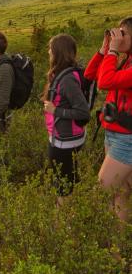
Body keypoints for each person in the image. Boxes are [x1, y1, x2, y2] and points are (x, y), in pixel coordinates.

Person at [84, 17, 132, 222]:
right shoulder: (125, 60)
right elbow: (90, 74)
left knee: (101, 190)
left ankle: (87, 242)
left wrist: (113, 50)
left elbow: (105, 82)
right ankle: (116, 252)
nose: (118, 37)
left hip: (126, 140)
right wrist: (104, 50)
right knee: (121, 194)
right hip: (113, 134)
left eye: (123, 33)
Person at [43, 34, 90, 199]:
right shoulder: (65, 74)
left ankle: (64, 222)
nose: (48, 52)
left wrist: (56, 111)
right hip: (64, 137)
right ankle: (69, 215)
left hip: (65, 141)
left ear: (58, 52)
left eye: (51, 49)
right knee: (68, 179)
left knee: (63, 185)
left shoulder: (67, 79)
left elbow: (83, 112)